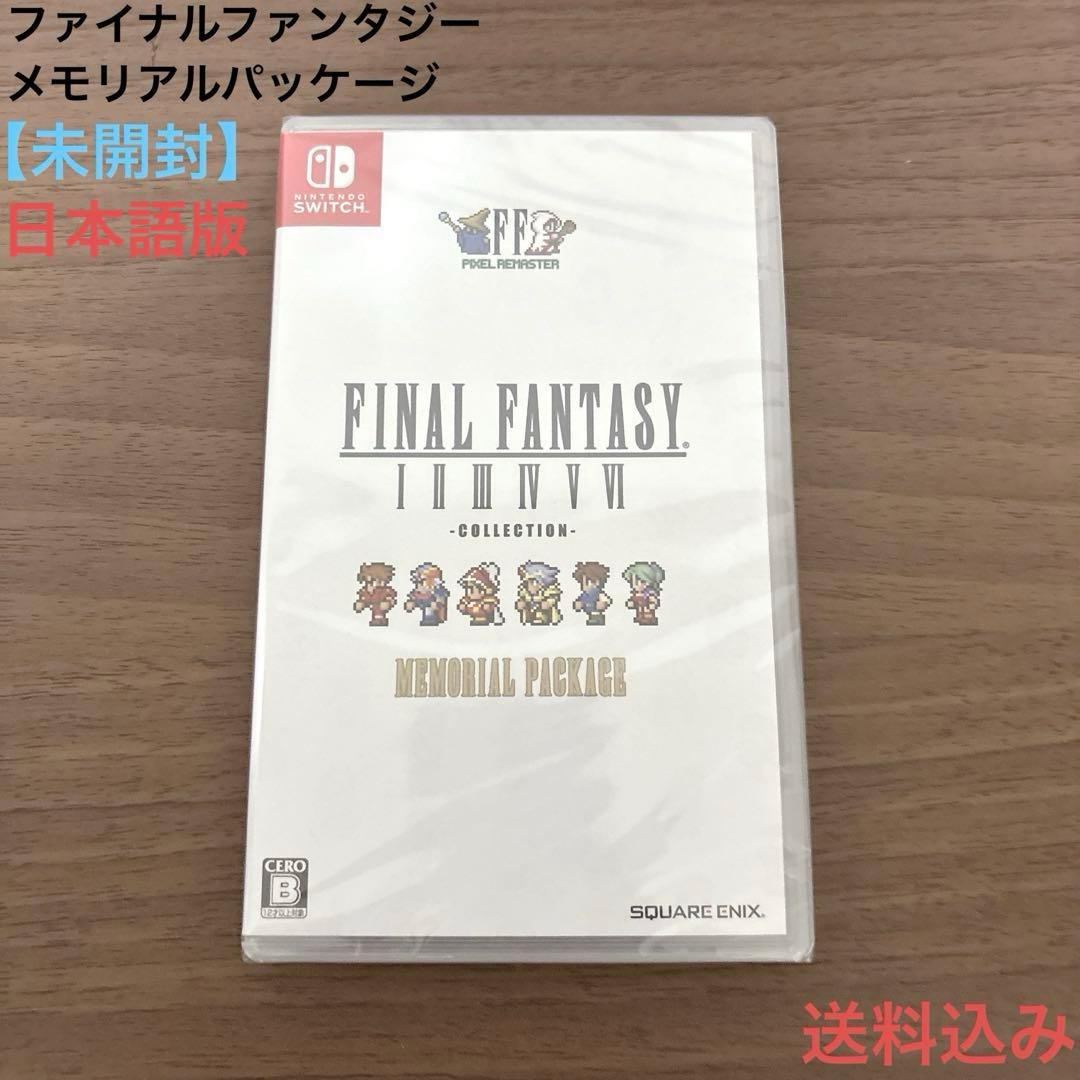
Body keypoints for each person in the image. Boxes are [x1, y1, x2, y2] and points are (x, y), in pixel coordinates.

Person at [515, 562, 562, 626]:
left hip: (544, 612)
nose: (531, 585)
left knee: (541, 611)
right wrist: (521, 602)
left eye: (534, 582)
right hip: (530, 610)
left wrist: (548, 602)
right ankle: (527, 620)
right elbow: (522, 596)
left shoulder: (549, 589)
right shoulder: (524, 589)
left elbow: (553, 597)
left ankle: (541, 618)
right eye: (529, 582)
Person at [404, 562, 449, 627]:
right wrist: (411, 603)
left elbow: (441, 600)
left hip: (430, 607)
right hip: (421, 602)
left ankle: (430, 620)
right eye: (418, 582)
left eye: (422, 581)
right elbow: (414, 598)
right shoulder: (418, 590)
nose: (420, 585)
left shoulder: (437, 590)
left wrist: (437, 604)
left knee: (429, 610)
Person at [353, 562, 397, 627]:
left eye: (380, 581)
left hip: (379, 605)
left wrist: (388, 602)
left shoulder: (385, 590)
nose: (375, 583)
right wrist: (360, 603)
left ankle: (379, 620)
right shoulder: (365, 590)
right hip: (371, 603)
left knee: (378, 608)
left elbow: (390, 597)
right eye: (372, 581)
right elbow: (363, 598)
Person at [622, 561, 665, 627]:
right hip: (640, 610)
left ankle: (649, 620)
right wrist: (632, 603)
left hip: (647, 609)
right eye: (635, 582)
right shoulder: (636, 593)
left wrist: (652, 604)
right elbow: (634, 600)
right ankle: (641, 619)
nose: (638, 585)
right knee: (640, 614)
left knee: (647, 614)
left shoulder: (649, 592)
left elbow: (653, 600)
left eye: (642, 582)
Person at [571, 561, 612, 626]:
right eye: (586, 582)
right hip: (589, 612)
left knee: (595, 616)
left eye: (593, 581)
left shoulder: (598, 594)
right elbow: (578, 603)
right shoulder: (584, 595)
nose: (590, 585)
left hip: (596, 613)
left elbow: (606, 601)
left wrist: (603, 603)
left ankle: (598, 619)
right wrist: (578, 604)